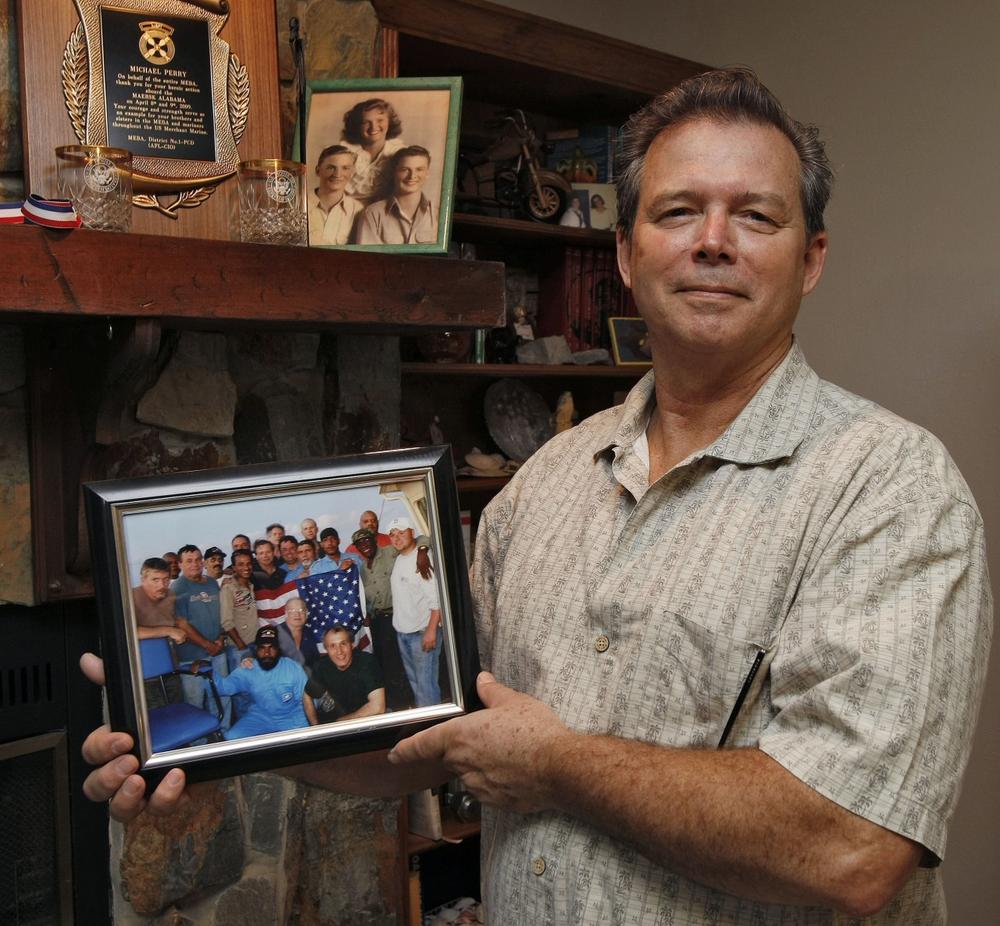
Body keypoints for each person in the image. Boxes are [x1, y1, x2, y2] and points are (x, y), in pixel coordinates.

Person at [81, 68, 992, 926]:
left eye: (755, 215)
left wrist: (557, 766)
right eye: (679, 212)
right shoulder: (548, 478)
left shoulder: (890, 489)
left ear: (813, 258)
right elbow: (432, 723)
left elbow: (853, 844)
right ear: (628, 256)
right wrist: (207, 746)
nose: (714, 240)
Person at [199, 626, 317, 741]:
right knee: (232, 737)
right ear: (256, 649)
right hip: (261, 715)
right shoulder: (248, 669)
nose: (267, 653)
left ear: (279, 649)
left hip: (291, 716)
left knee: (303, 742)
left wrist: (313, 728)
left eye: (271, 648)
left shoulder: (293, 668)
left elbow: (308, 701)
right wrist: (206, 669)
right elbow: (223, 688)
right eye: (262, 648)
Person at [171, 545, 231, 733]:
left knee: (223, 696)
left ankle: (224, 736)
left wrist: (220, 639)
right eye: (189, 561)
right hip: (192, 657)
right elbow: (181, 624)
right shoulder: (178, 587)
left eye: (198, 559)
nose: (195, 564)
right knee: (195, 703)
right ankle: (200, 743)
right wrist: (206, 645)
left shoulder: (212, 583)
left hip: (217, 651)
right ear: (180, 564)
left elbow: (220, 614)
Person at [387, 517, 442, 707]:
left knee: (426, 687)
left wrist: (431, 631)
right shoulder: (399, 559)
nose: (397, 537)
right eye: (392, 534)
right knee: (416, 684)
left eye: (401, 532)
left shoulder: (423, 559)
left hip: (422, 633)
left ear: (412, 531)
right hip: (403, 633)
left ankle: (434, 730)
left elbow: (436, 599)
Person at [355, 146, 438, 246]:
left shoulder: (437, 213)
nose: (412, 176)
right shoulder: (373, 213)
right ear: (394, 173)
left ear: (427, 173)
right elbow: (368, 258)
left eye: (419, 169)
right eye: (405, 169)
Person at [311, 625, 386, 722]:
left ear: (352, 645)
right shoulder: (321, 666)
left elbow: (378, 707)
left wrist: (339, 723)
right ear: (326, 649)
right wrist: (315, 726)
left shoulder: (367, 662)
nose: (339, 651)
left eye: (343, 644)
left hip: (365, 724)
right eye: (332, 646)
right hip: (332, 730)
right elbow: (307, 696)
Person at [341, 97, 405, 204]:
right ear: (357, 126)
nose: (373, 127)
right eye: (366, 122)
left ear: (389, 122)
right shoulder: (347, 152)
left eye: (380, 120)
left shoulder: (398, 151)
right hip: (348, 209)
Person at [220, 550, 258, 718]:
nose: (246, 567)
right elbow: (226, 621)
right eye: (241, 564)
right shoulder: (228, 588)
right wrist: (241, 646)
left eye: (249, 563)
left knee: (254, 688)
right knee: (242, 691)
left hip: (254, 644)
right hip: (239, 648)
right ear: (234, 567)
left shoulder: (251, 586)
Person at [308, 145, 364, 246]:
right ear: (318, 170)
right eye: (331, 168)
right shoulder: (298, 205)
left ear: (352, 172)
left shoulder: (358, 210)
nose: (338, 174)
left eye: (345, 168)